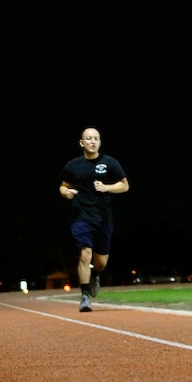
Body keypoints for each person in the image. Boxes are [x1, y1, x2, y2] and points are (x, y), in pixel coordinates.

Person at [58, 127, 130, 312]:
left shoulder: (110, 163)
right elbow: (63, 187)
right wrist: (66, 192)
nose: (92, 141)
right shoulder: (73, 165)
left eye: (96, 138)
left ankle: (95, 275)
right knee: (84, 253)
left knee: (101, 263)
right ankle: (84, 296)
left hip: (103, 218)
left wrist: (106, 188)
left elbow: (124, 186)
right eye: (88, 138)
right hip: (81, 216)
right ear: (81, 143)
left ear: (100, 142)